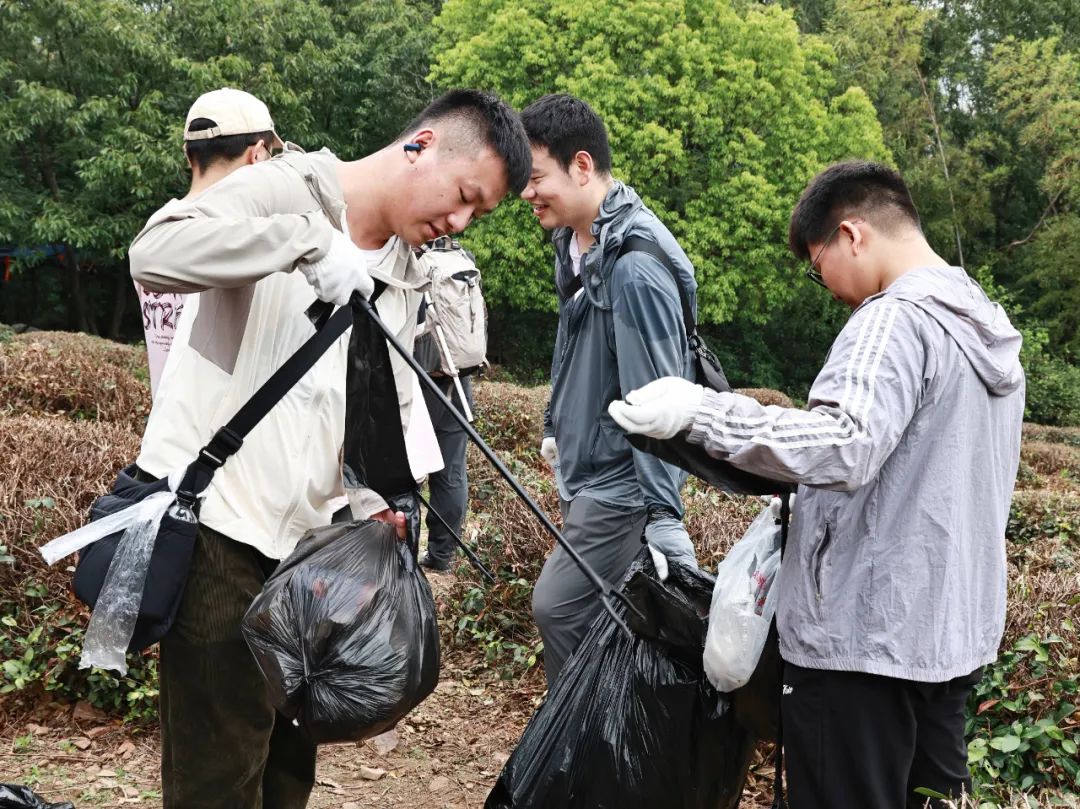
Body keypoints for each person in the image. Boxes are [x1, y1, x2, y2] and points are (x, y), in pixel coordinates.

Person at [128, 89, 531, 809]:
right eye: (465, 195)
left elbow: (358, 420)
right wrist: (306, 243)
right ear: (423, 144)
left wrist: (374, 502)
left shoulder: (408, 277)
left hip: (312, 562)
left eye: (480, 214)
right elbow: (155, 251)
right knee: (218, 782)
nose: (460, 222)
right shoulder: (288, 184)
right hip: (224, 533)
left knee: (288, 777)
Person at [609, 161, 1025, 809]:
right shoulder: (985, 327)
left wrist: (700, 411)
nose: (824, 284)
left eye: (816, 262)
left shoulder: (893, 322)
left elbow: (843, 441)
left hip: (864, 640)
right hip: (948, 637)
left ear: (852, 234)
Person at [519, 93, 698, 687]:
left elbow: (659, 396)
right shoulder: (578, 243)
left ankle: (583, 750)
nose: (526, 193)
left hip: (621, 482)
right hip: (586, 467)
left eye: (536, 176)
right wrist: (553, 426)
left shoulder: (634, 264)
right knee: (603, 622)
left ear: (582, 166)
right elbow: (575, 352)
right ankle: (594, 753)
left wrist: (663, 515)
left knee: (558, 607)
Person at [136, 87, 285, 397]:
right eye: (271, 154)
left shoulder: (158, 226)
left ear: (188, 154)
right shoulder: (242, 234)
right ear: (257, 154)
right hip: (220, 431)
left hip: (165, 422)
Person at [417, 372, 474, 572]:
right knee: (451, 474)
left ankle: (399, 551)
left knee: (405, 471)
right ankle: (442, 555)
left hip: (418, 383)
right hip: (459, 382)